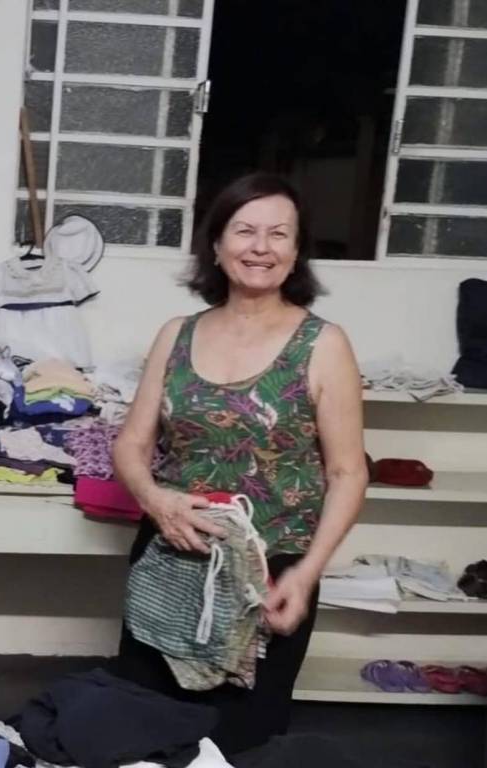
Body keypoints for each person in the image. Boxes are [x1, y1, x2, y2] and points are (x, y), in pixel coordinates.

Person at [111, 173, 368, 756]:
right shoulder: (176, 335)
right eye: (245, 230)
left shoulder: (323, 344)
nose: (261, 247)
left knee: (242, 745)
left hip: (271, 573)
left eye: (279, 234)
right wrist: (156, 500)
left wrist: (306, 575)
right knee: (143, 733)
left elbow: (348, 473)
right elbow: (130, 445)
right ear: (217, 244)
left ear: (297, 250)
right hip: (170, 561)